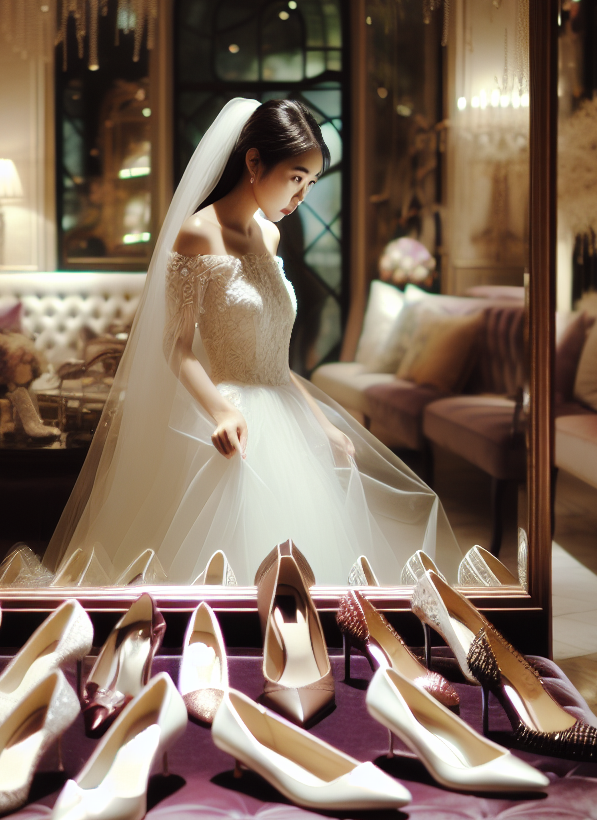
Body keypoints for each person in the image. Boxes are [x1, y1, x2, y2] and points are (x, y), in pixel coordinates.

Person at [47, 97, 459, 585]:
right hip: (232, 413)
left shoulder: (271, 237)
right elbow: (174, 346)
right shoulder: (196, 235)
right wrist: (220, 410)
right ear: (254, 162)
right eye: (295, 177)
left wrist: (319, 423)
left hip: (286, 416)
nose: (301, 196)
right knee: (231, 563)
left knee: (306, 568)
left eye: (311, 183)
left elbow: (275, 362)